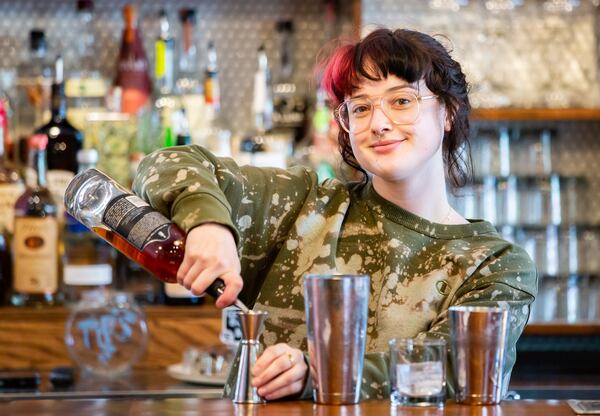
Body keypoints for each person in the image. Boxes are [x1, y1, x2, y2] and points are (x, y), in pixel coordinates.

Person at [132, 28, 537, 401]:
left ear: (447, 113)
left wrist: (315, 374)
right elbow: (164, 163)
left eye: (401, 101)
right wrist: (208, 223)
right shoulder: (303, 206)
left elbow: (457, 372)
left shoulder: (493, 264)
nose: (378, 123)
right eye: (360, 108)